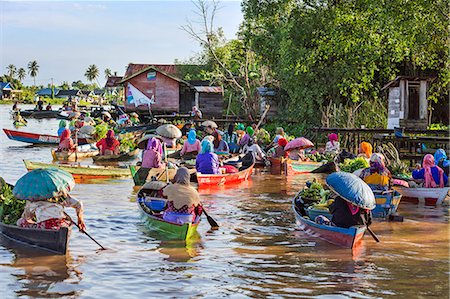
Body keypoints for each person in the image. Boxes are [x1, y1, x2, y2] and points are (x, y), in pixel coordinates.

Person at [17, 195, 85, 231]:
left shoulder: (33, 198)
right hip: (61, 224)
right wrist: (80, 220)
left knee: (20, 222)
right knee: (67, 221)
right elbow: (79, 204)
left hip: (45, 226)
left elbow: (27, 217)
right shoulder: (61, 195)